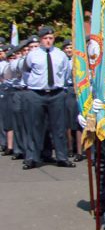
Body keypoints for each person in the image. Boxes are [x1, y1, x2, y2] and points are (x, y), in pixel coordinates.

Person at [9, 26, 72, 169]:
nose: (48, 41)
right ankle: (32, 158)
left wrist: (59, 86)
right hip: (37, 93)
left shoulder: (60, 55)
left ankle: (62, 157)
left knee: (59, 127)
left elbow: (66, 72)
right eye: (45, 38)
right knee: (34, 126)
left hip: (56, 93)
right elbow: (26, 70)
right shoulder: (33, 55)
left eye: (50, 38)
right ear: (41, 39)